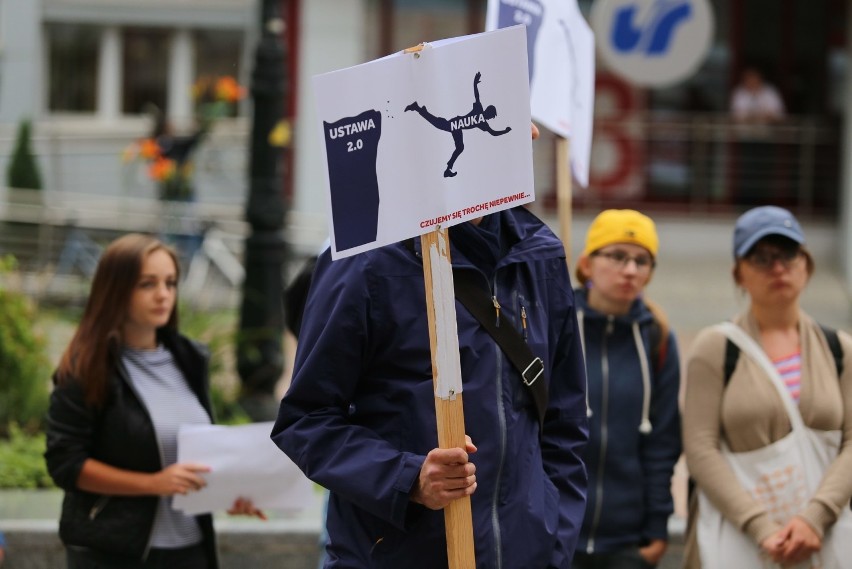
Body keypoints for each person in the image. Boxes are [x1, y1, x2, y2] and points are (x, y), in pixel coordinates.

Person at [272, 124, 588, 568]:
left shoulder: (540, 253)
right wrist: (408, 478)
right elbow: (306, 420)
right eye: (496, 122)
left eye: (517, 123)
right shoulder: (365, 260)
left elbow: (564, 422)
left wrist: (552, 542)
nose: (526, 136)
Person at [45, 233, 263, 569]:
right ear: (115, 289)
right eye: (147, 284)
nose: (163, 295)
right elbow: (65, 464)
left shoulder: (189, 359)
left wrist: (228, 494)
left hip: (190, 549)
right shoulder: (86, 368)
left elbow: (193, 453)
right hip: (114, 553)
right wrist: (152, 484)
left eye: (170, 283)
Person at [682, 206, 852, 567]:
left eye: (788, 254)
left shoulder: (840, 349)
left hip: (826, 536)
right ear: (739, 274)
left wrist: (815, 517)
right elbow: (700, 448)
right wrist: (761, 526)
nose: (777, 268)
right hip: (743, 541)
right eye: (761, 257)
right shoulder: (715, 348)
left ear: (806, 265)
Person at [571, 210, 682, 569]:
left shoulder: (658, 338)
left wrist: (657, 528)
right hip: (556, 531)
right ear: (587, 265)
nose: (631, 270)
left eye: (642, 260)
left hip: (627, 545)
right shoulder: (556, 327)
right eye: (617, 256)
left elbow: (662, 443)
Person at [405, 71, 512, 177]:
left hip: (457, 129)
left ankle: (448, 169)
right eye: (491, 116)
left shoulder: (483, 123)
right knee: (438, 124)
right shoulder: (479, 109)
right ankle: (418, 108)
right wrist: (475, 83)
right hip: (455, 123)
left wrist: (505, 131)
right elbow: (477, 96)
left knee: (459, 147)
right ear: (488, 112)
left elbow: (493, 133)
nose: (490, 118)